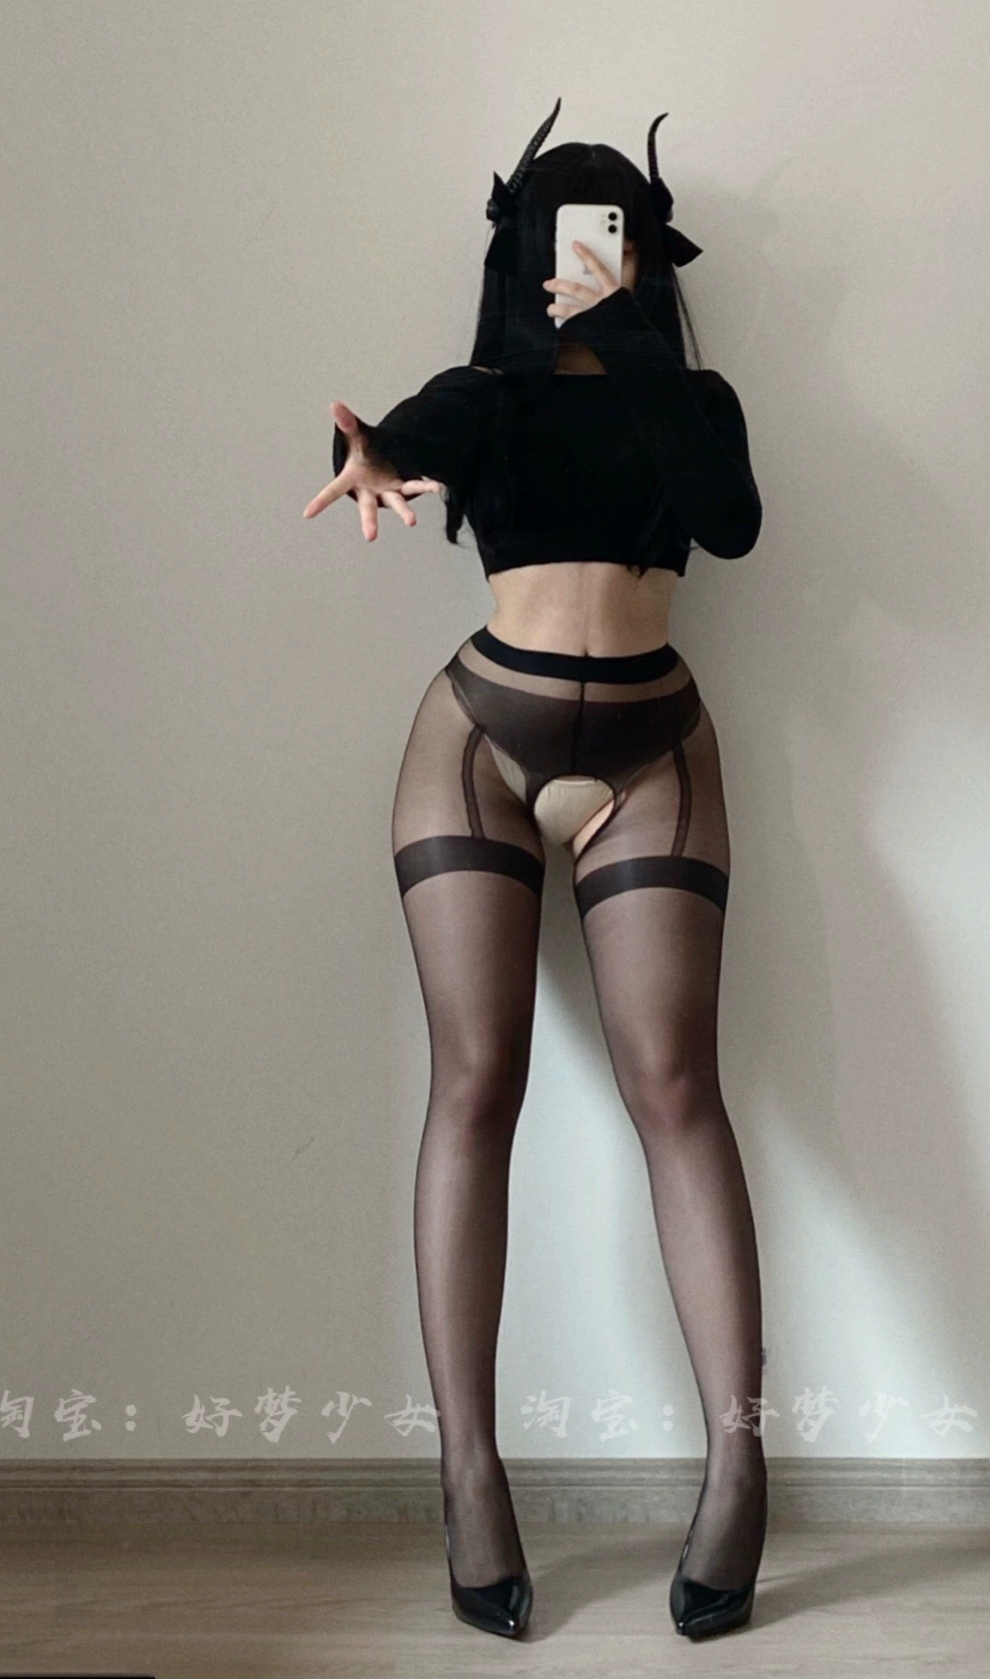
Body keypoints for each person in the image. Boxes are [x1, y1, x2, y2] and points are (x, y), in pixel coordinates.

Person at [303, 101, 767, 1641]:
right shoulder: (483, 395)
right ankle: (470, 1472)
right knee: (474, 1082)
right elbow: (402, 442)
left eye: (610, 236)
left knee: (676, 1086)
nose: (583, 258)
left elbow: (731, 526)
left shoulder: (692, 397)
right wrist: (364, 457)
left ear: (643, 254)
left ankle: (738, 1461)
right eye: (561, 238)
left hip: (652, 750)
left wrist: (630, 344)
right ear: (520, 251)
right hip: (477, 744)